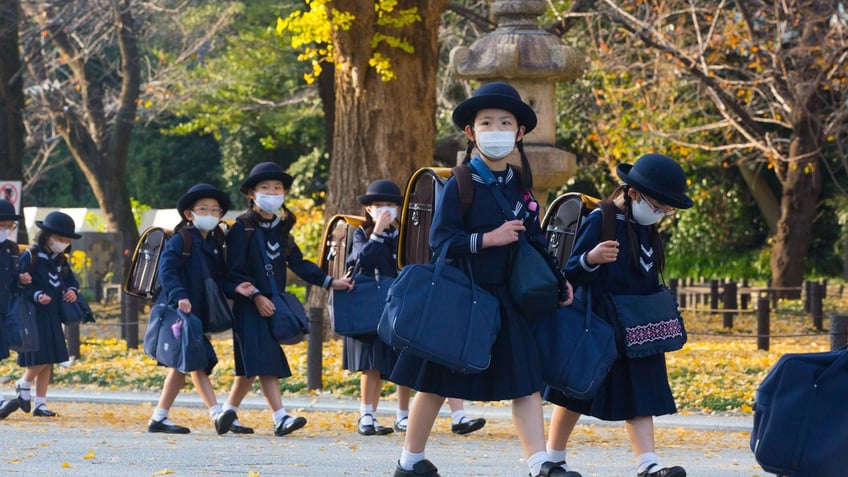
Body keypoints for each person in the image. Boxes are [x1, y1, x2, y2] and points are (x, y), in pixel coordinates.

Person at [388, 82, 574, 477]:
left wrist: (560, 280)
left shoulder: (521, 185)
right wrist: (487, 239)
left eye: (506, 122)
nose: (497, 130)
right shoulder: (460, 182)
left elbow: (536, 238)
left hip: (509, 299)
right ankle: (409, 462)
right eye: (486, 122)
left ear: (520, 132)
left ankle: (539, 463)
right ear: (471, 133)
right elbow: (441, 241)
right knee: (434, 383)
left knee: (526, 383)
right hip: (462, 296)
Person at [544, 153, 693, 477]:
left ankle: (647, 464)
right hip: (599, 322)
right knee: (574, 391)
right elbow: (568, 272)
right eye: (658, 206)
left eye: (667, 209)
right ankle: (553, 459)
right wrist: (591, 258)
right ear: (634, 193)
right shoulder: (601, 219)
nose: (661, 213)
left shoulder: (646, 227)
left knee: (641, 393)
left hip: (639, 326)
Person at [343, 180, 487, 437]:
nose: (385, 210)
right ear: (368, 209)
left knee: (411, 355)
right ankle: (367, 415)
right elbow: (363, 259)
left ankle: (425, 414)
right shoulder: (362, 233)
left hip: (404, 301)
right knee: (372, 363)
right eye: (379, 206)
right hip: (373, 303)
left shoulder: (404, 233)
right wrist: (377, 231)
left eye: (390, 205)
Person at [220, 161, 353, 436]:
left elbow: (299, 263)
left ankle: (227, 412)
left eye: (277, 188)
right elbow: (232, 272)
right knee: (267, 359)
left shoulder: (281, 231)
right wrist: (255, 295)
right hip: (249, 306)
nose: (272, 193)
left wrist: (330, 282)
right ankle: (280, 418)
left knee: (252, 365)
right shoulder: (241, 229)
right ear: (252, 194)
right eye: (265, 188)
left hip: (272, 303)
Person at [146, 183, 252, 434]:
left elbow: (219, 279)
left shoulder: (214, 244)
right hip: (179, 311)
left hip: (196, 314)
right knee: (196, 360)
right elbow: (167, 271)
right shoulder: (181, 240)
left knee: (184, 363)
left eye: (215, 210)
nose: (211, 214)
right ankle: (217, 413)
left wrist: (236, 288)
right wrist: (180, 295)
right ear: (189, 214)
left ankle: (159, 417)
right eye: (203, 209)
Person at [0, 211, 82, 419]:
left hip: (53, 313)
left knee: (51, 357)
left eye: (66, 240)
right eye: (59, 239)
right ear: (47, 235)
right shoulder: (31, 255)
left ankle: (41, 402)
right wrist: (36, 294)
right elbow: (21, 284)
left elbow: (71, 280)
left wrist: (73, 290)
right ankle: (24, 383)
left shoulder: (60, 260)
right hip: (33, 313)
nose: (63, 243)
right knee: (41, 355)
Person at [0, 200, 32, 417]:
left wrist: (21, 279)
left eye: (9, 225)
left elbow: (13, 279)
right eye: (2, 224)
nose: (5, 229)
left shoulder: (12, 248)